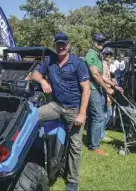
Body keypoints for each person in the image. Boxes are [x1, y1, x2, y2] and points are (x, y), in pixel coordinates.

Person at [30, 33, 91, 191]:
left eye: (64, 44)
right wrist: (43, 80)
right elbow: (34, 74)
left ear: (68, 45)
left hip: (73, 109)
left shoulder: (78, 63)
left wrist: (82, 113)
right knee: (31, 116)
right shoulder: (49, 60)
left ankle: (72, 180)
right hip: (56, 105)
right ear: (55, 45)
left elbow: (86, 90)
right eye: (58, 44)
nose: (61, 47)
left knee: (75, 145)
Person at [84, 33, 114, 155]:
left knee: (93, 117)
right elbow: (95, 74)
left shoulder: (98, 55)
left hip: (98, 89)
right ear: (93, 42)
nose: (101, 43)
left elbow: (101, 75)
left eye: (102, 41)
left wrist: (112, 84)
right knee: (99, 117)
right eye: (98, 41)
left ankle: (91, 140)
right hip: (93, 89)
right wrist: (106, 89)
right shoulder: (91, 54)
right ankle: (95, 146)